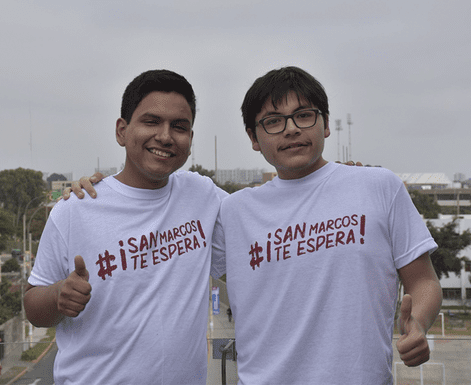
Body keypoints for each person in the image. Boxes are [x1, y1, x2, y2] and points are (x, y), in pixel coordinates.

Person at [71, 66, 442, 384]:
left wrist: (420, 324)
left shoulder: (378, 187)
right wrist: (108, 191)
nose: (291, 129)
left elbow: (423, 281)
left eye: (305, 115)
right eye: (273, 122)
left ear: (326, 125)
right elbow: (154, 222)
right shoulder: (231, 211)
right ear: (253, 138)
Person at [24, 69, 227, 384]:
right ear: (121, 130)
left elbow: (271, 224)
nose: (165, 135)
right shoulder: (74, 208)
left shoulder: (203, 196)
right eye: (151, 121)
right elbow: (33, 307)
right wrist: (58, 297)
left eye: (179, 126)